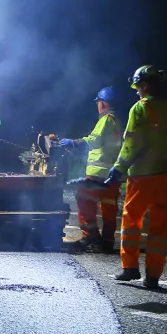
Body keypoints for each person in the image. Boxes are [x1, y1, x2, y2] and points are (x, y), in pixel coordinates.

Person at [106, 65, 167, 289]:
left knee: (132, 220)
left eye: (138, 86)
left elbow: (132, 143)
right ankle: (153, 277)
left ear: (144, 85)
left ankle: (130, 268)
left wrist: (119, 167)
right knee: (161, 227)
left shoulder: (141, 108)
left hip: (144, 174)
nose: (137, 91)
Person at [59, 86, 123, 252]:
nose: (97, 106)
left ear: (103, 103)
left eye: (98, 103)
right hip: (112, 174)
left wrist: (74, 143)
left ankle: (91, 236)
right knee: (109, 207)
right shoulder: (118, 122)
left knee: (83, 199)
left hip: (97, 174)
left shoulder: (106, 119)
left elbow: (94, 140)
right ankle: (107, 241)